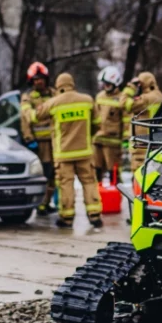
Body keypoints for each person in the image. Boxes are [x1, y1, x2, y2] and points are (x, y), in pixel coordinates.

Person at [35, 73, 103, 228]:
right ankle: (94, 215)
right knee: (89, 182)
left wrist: (26, 106)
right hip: (84, 152)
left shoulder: (54, 103)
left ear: (58, 86)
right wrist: (86, 136)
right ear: (72, 84)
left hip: (63, 154)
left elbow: (36, 116)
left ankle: (67, 218)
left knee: (66, 185)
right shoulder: (87, 100)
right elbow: (98, 123)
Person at [20, 61, 56, 216]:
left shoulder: (55, 94)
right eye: (35, 79)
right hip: (40, 144)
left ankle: (47, 203)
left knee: (55, 174)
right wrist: (29, 139)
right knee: (45, 173)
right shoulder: (28, 98)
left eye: (40, 79)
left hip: (56, 141)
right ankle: (41, 204)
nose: (38, 82)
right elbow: (25, 120)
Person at [120, 71, 162, 172]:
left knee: (139, 174)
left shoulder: (145, 99)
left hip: (142, 145)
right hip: (157, 143)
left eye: (139, 84)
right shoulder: (161, 97)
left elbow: (124, 104)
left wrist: (129, 88)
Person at [92, 66, 126, 182]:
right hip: (98, 140)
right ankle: (97, 192)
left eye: (108, 84)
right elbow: (95, 117)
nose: (106, 86)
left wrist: (125, 139)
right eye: (104, 84)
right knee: (96, 169)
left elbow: (126, 121)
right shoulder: (99, 96)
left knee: (114, 172)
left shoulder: (121, 98)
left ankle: (116, 191)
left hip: (113, 142)